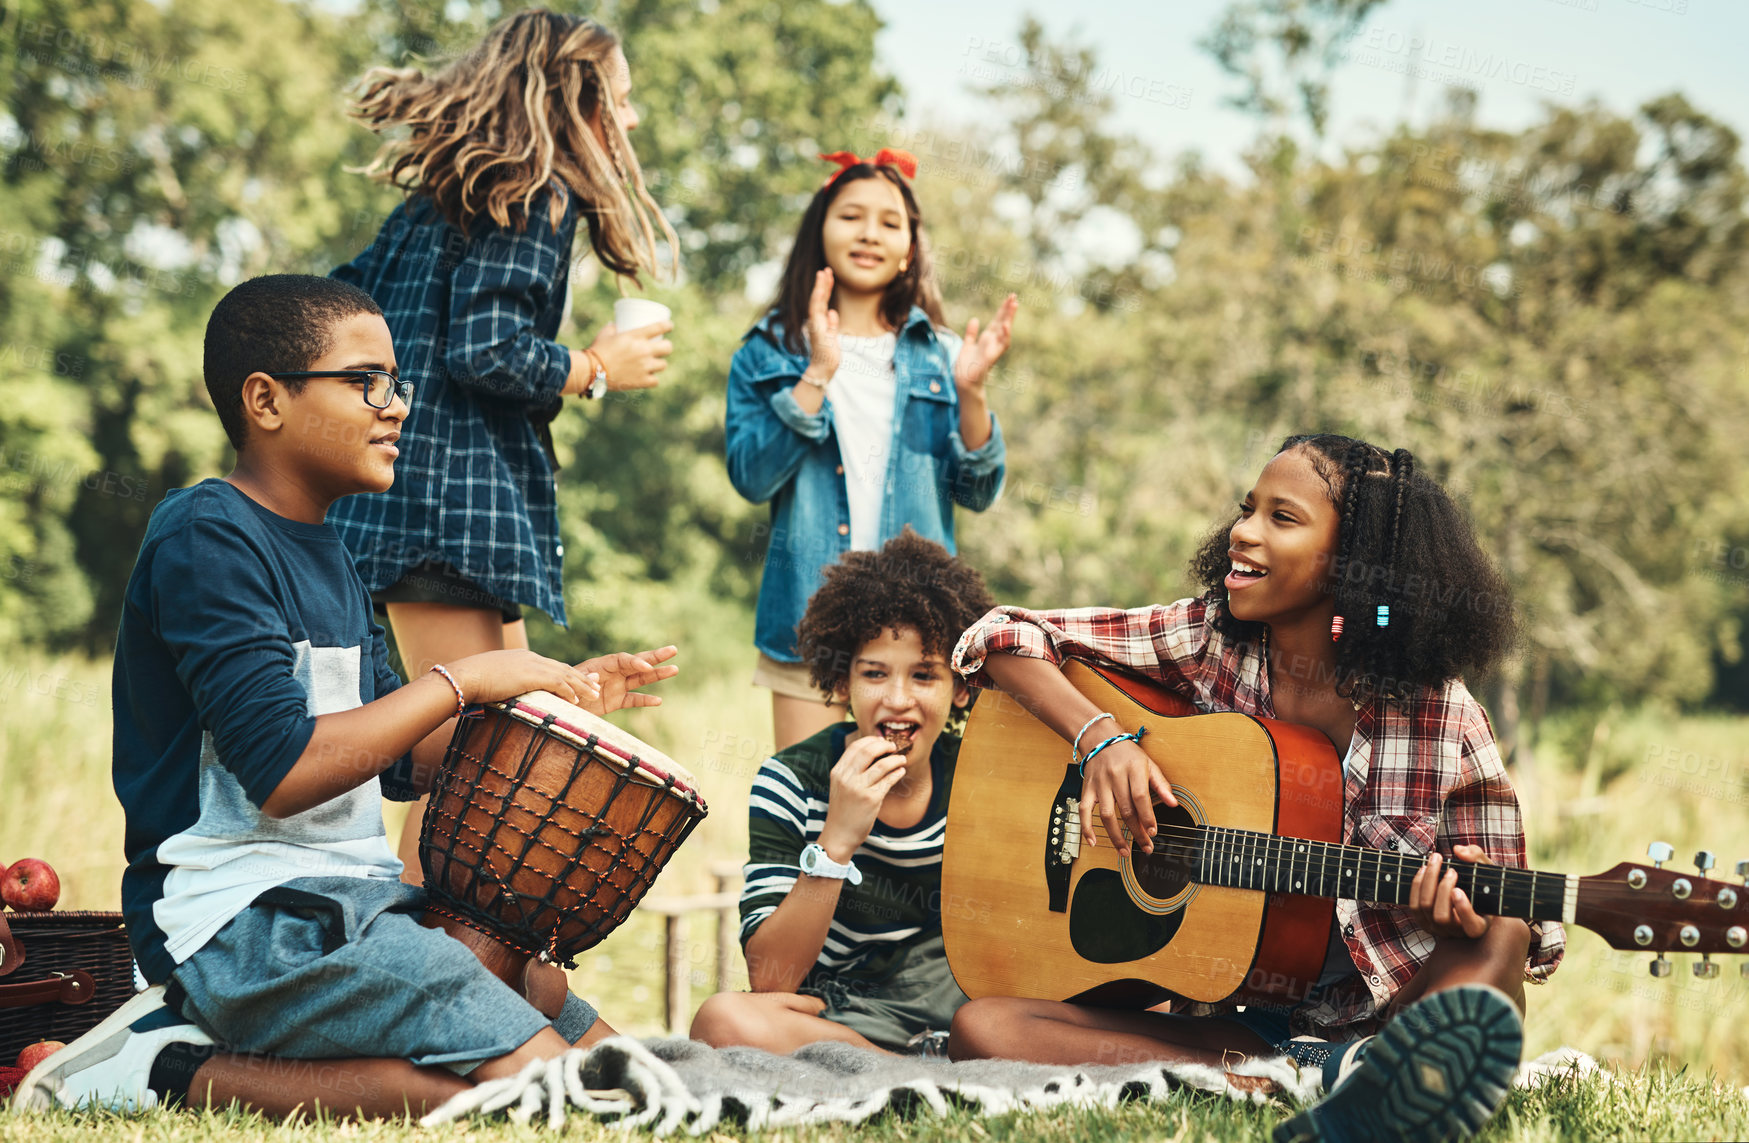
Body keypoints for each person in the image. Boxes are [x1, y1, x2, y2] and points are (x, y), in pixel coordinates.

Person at [15, 275, 677, 1119]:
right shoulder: (205, 535)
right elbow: (285, 771)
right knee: (540, 1090)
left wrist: (553, 706)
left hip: (352, 906)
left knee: (545, 996)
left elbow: (400, 757)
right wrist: (461, 678)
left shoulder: (335, 554)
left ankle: (173, 1059)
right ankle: (155, 1067)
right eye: (366, 380)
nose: (395, 404)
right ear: (266, 400)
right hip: (235, 924)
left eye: (397, 382)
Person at [946, 434, 1563, 1143]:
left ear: (1355, 565)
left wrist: (1465, 917)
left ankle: (1378, 1075)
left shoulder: (1439, 714)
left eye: (1282, 517)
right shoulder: (1209, 640)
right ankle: (1330, 1086)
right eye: (1247, 510)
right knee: (982, 1025)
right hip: (1237, 1028)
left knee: (1503, 926)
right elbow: (999, 635)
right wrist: (1101, 740)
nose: (1242, 531)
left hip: (1391, 1013)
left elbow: (1519, 937)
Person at [326, 9, 679, 884]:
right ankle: (409, 961)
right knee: (472, 766)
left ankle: (456, 957)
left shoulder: (433, 203)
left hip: (413, 506)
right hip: (455, 512)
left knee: (504, 746)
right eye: (621, 103)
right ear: (578, 103)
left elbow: (339, 298)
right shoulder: (538, 194)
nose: (629, 123)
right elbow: (485, 347)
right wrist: (596, 366)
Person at [725, 148, 1015, 752]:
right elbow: (751, 476)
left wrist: (971, 394)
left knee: (906, 826)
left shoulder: (938, 352)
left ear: (911, 245)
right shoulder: (769, 348)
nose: (869, 233)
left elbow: (978, 490)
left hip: (918, 640)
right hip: (810, 627)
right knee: (811, 813)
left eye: (889, 221)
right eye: (851, 215)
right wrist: (817, 374)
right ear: (820, 230)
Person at [689, 531, 996, 1054]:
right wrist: (837, 841)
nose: (898, 700)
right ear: (842, 682)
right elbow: (771, 980)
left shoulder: (986, 774)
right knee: (722, 1020)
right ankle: (914, 1070)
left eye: (924, 675)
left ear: (961, 687)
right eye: (874, 674)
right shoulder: (788, 781)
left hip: (969, 1008)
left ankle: (918, 1062)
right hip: (845, 1018)